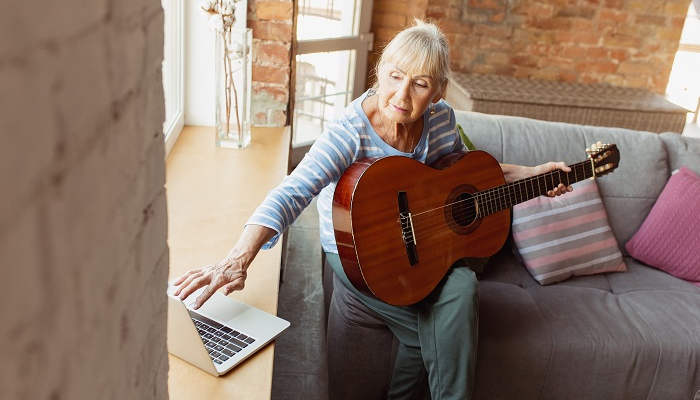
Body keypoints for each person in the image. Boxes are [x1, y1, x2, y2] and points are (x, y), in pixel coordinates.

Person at [174, 19, 572, 400]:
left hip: (425, 244)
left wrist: (531, 173)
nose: (402, 96)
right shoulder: (349, 132)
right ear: (379, 71)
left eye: (420, 84)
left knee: (463, 284)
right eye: (395, 76)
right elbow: (292, 191)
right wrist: (236, 260)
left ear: (438, 93)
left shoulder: (441, 121)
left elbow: (464, 173)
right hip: (355, 255)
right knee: (435, 328)